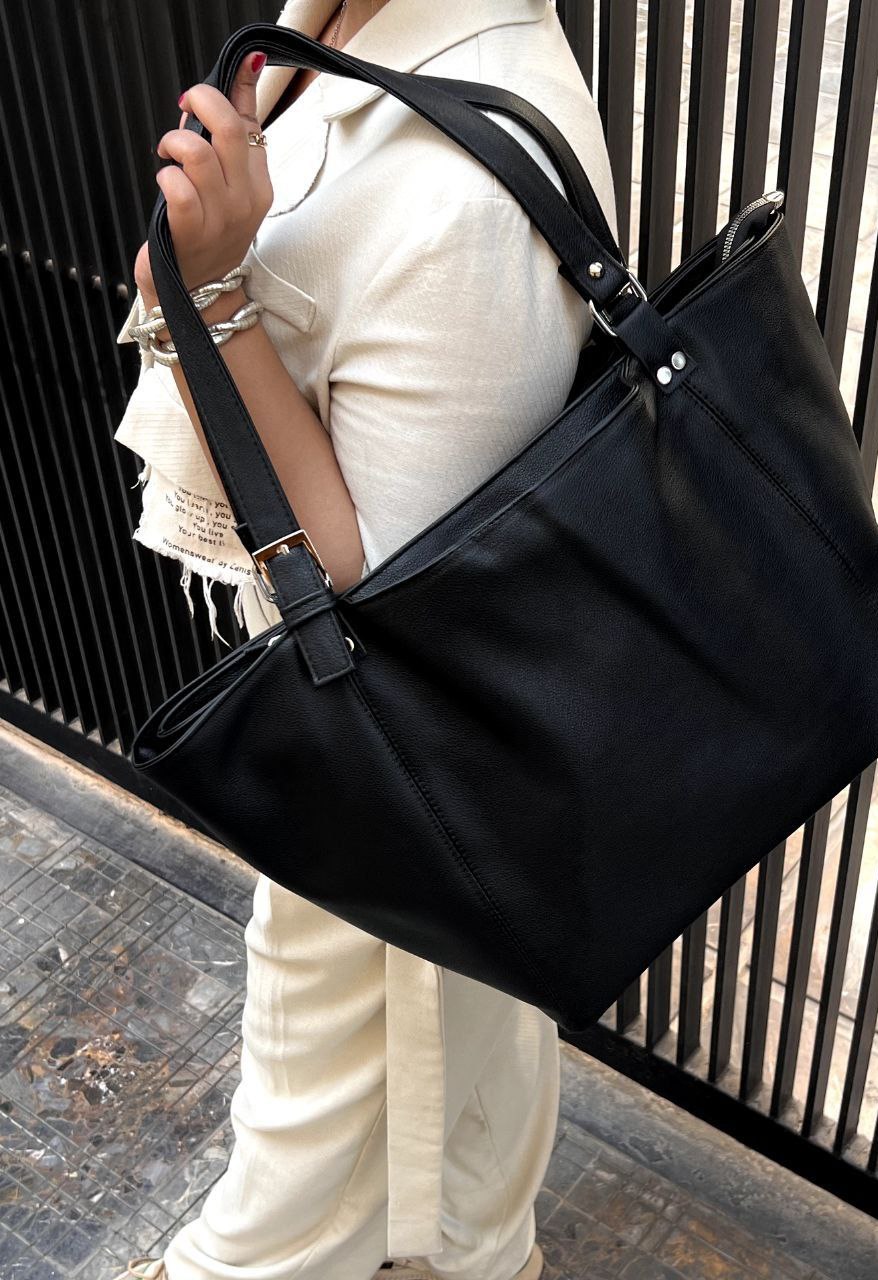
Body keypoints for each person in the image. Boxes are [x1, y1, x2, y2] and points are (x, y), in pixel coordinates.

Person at [111, 1, 619, 1277]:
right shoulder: (334, 24)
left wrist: (213, 294)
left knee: (311, 1189)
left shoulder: (468, 195)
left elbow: (379, 609)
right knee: (440, 1139)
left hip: (384, 790)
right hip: (395, 780)